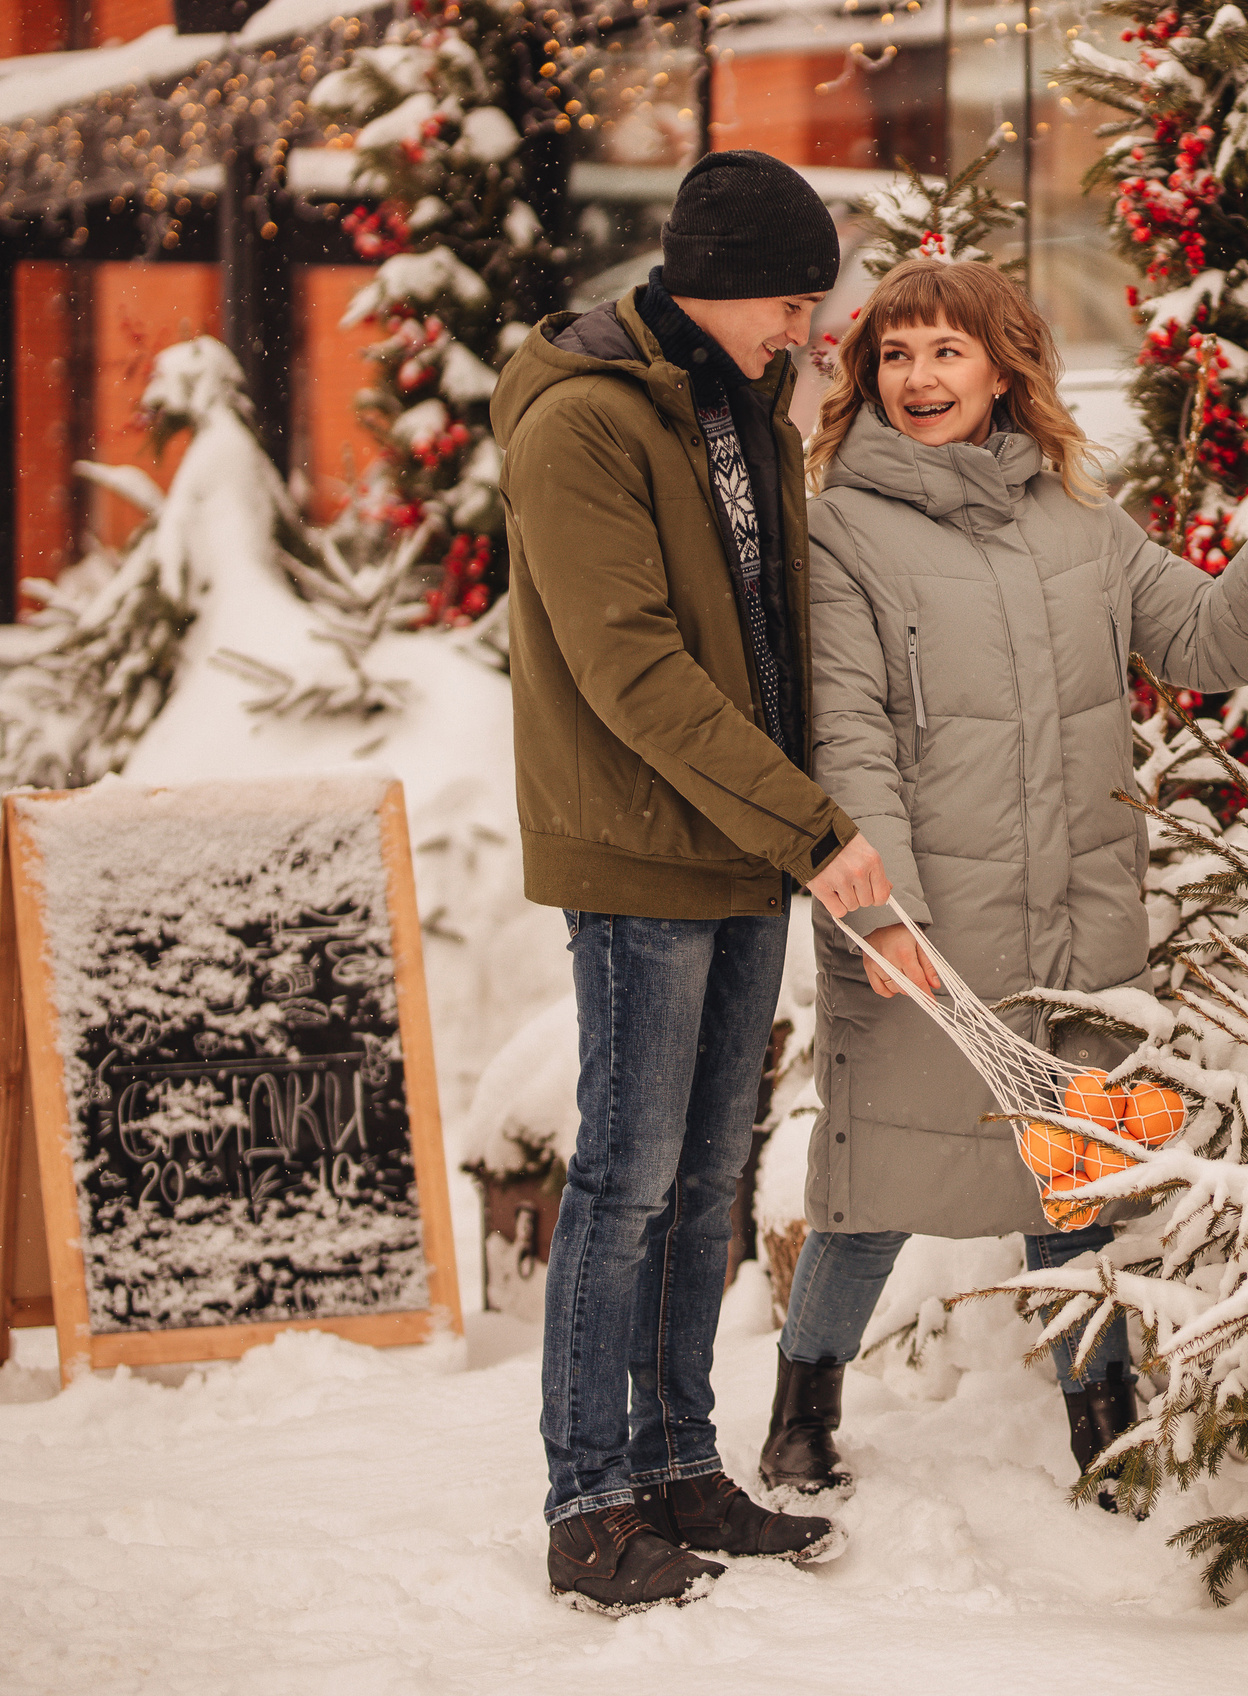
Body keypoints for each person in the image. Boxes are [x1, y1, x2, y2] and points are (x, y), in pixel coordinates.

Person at [758, 257, 1248, 1502]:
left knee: (1073, 1169)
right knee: (874, 1174)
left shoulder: (1081, 517)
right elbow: (845, 728)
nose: (919, 378)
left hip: (1075, 897)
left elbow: (1196, 642)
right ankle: (804, 1403)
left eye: (946, 352)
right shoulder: (840, 529)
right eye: (895, 355)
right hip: (928, 910)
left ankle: (1101, 1404)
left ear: (1004, 366)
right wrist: (882, 915)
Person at [493, 149, 903, 1614]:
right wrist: (808, 818)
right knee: (625, 1175)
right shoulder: (586, 423)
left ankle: (676, 1462)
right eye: (795, 300)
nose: (810, 329)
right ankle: (589, 1498)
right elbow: (634, 670)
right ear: (723, 284)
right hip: (642, 844)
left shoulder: (739, 403)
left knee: (708, 1173)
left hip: (742, 844)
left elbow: (764, 629)